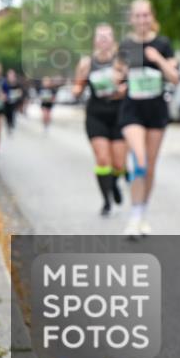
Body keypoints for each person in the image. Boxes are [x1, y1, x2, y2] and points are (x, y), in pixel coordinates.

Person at [116, 0, 179, 238]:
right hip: (132, 110)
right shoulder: (126, 46)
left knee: (150, 167)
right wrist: (118, 80)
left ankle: (141, 212)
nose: (142, 20)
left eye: (146, 15)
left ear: (151, 17)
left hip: (155, 111)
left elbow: (175, 78)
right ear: (131, 19)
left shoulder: (163, 45)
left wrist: (158, 59)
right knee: (140, 161)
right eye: (138, 16)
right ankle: (133, 217)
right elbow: (118, 75)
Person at [72, 24, 126, 216]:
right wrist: (78, 88)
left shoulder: (120, 61)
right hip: (96, 115)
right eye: (100, 37)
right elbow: (76, 89)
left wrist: (122, 88)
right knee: (103, 160)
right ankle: (106, 201)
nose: (104, 40)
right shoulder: (87, 63)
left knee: (119, 164)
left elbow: (130, 84)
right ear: (95, 41)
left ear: (112, 40)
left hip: (119, 115)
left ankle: (114, 182)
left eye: (107, 37)